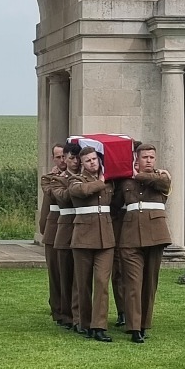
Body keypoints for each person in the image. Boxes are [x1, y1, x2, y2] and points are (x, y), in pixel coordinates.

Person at [112, 143, 171, 343]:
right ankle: (134, 327)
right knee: (133, 283)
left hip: (155, 236)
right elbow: (115, 206)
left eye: (151, 157)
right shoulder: (125, 181)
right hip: (130, 237)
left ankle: (145, 323)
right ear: (136, 159)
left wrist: (136, 175)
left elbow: (161, 185)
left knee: (149, 283)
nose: (148, 160)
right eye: (144, 157)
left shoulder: (162, 177)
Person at [69, 146, 116, 342]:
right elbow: (83, 191)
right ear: (82, 163)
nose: (92, 163)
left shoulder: (110, 180)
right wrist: (102, 182)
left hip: (105, 238)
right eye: (87, 160)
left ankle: (99, 326)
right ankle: (84, 322)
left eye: (94, 159)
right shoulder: (76, 179)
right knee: (83, 283)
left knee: (102, 282)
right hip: (83, 238)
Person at [49, 142, 82, 331]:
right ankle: (64, 313)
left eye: (77, 158)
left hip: (84, 230)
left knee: (79, 277)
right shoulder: (55, 179)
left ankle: (77, 315)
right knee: (63, 274)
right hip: (65, 230)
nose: (73, 162)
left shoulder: (86, 178)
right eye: (70, 158)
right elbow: (61, 197)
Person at [39, 143, 66, 324]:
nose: (62, 160)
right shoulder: (48, 178)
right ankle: (57, 310)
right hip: (54, 228)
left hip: (71, 229)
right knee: (55, 273)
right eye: (58, 157)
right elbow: (52, 194)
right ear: (53, 159)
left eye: (65, 156)